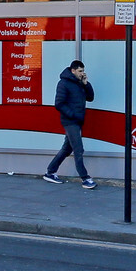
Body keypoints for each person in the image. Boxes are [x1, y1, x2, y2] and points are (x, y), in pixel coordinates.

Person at [42, 59, 97, 188]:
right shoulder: (64, 83)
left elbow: (90, 97)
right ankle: (85, 178)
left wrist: (86, 84)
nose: (82, 73)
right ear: (73, 71)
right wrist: (73, 115)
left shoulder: (79, 83)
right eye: (80, 71)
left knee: (67, 149)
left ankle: (50, 172)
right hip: (70, 121)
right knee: (78, 149)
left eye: (83, 71)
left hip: (77, 121)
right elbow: (59, 103)